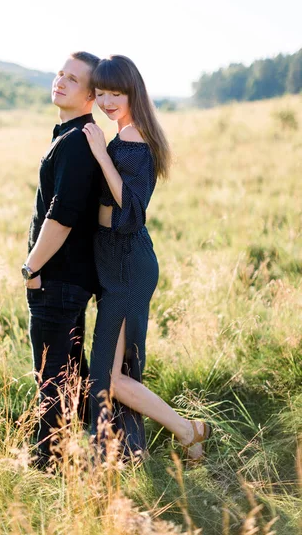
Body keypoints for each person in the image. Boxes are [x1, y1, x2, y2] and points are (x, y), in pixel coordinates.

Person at [83, 55, 211, 464]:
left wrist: (101, 156)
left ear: (132, 91)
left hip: (126, 263)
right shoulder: (125, 132)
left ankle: (188, 431)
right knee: (113, 373)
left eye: (114, 93)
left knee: (110, 376)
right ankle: (131, 449)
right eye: (100, 92)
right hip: (118, 260)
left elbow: (132, 208)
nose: (105, 100)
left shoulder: (132, 137)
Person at [23, 51, 101, 466]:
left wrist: (31, 267)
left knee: (50, 374)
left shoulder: (76, 141)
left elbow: (63, 215)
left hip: (58, 279)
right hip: (67, 278)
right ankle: (96, 445)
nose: (61, 81)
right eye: (60, 74)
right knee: (68, 371)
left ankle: (46, 463)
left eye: (73, 79)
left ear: (91, 95)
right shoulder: (73, 135)